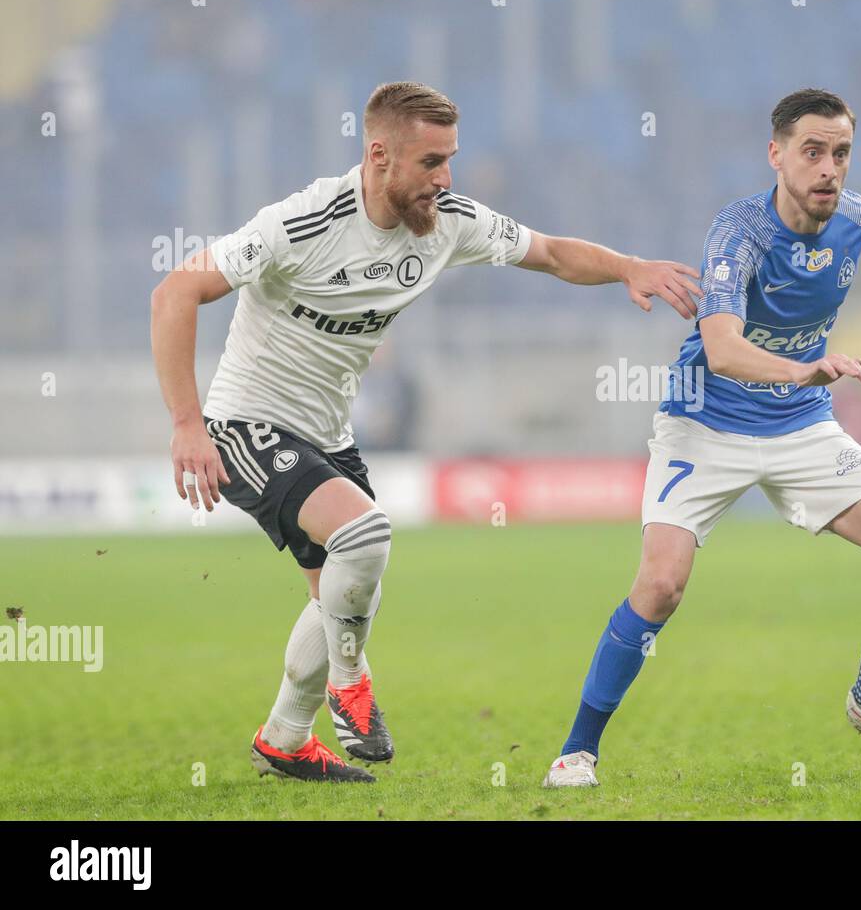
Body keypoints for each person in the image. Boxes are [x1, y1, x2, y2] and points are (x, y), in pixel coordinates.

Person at [150, 81, 701, 782]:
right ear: (379, 155)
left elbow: (554, 254)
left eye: (450, 161)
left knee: (344, 594)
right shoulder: (301, 222)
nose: (445, 179)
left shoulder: (448, 222)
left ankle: (285, 739)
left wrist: (629, 266)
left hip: (326, 434)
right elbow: (174, 294)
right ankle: (352, 690)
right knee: (365, 535)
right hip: (245, 424)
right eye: (431, 162)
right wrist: (186, 425)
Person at [542, 88, 861, 789]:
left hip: (797, 422)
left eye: (842, 153)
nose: (830, 168)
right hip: (704, 419)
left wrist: (804, 378)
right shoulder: (738, 233)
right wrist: (805, 369)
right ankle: (577, 751)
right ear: (775, 154)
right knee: (661, 586)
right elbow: (724, 348)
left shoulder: (857, 221)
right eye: (812, 151)